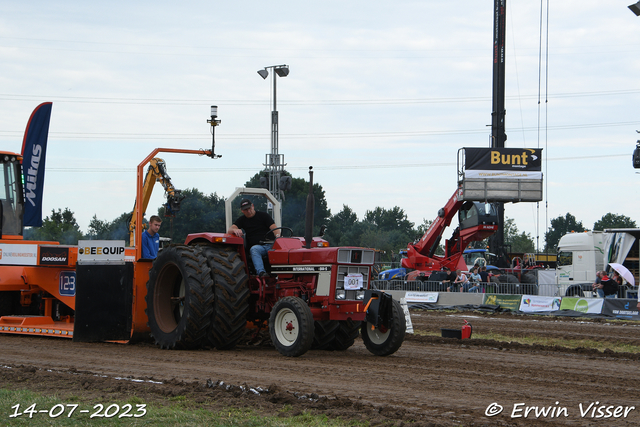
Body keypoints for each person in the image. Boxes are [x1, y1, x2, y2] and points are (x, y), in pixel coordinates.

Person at [228, 199, 279, 278]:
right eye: (246, 210)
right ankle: (261, 273)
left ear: (253, 206)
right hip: (258, 247)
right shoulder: (242, 220)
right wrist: (235, 229)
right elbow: (229, 230)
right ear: (242, 211)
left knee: (283, 250)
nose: (248, 211)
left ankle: (283, 273)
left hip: (271, 244)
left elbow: (275, 229)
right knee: (254, 249)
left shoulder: (264, 216)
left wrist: (278, 237)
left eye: (249, 208)